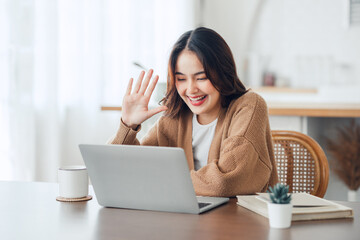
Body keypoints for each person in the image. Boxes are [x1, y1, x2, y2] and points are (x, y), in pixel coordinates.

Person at [110, 27, 278, 197]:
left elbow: (224, 182)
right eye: (181, 79)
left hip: (240, 220)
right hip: (187, 221)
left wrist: (161, 181)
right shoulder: (174, 118)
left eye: (201, 78)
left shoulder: (249, 106)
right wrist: (128, 125)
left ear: (222, 73)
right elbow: (120, 173)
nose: (191, 89)